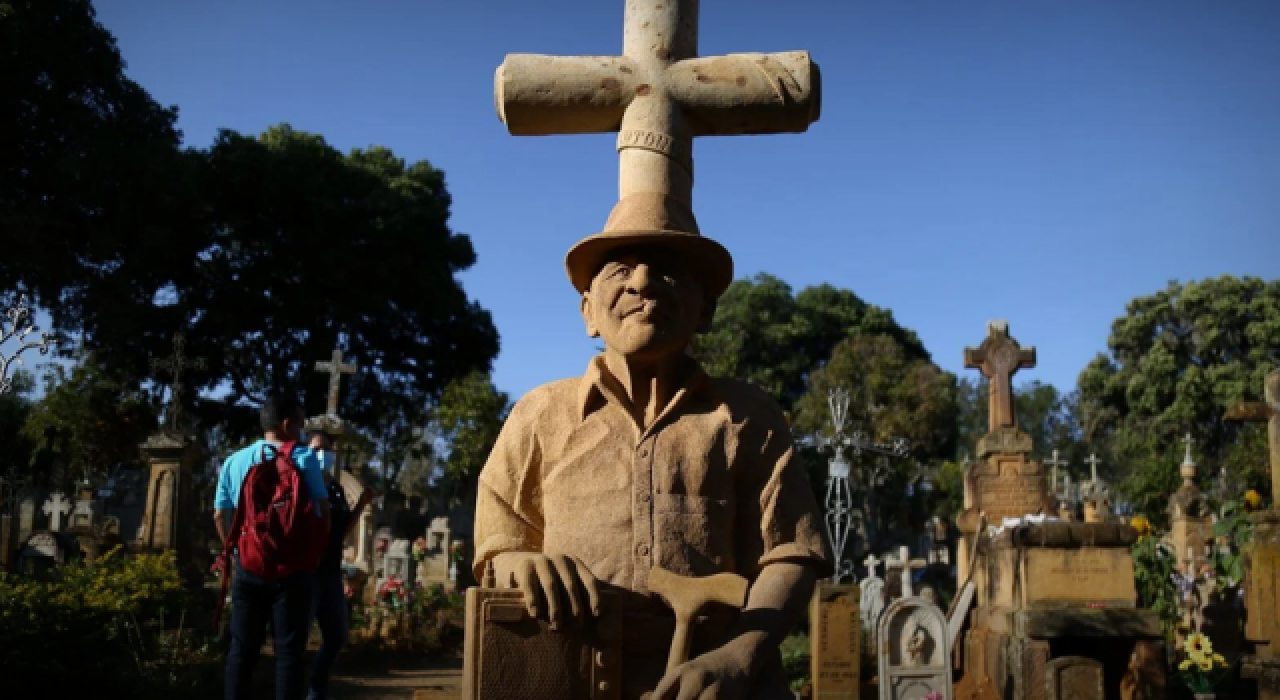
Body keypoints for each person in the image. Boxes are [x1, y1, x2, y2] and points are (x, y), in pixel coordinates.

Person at [472, 192, 831, 699]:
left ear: (704, 309)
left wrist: (738, 656)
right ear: (588, 313)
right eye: (619, 271)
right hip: (568, 680)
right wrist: (519, 563)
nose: (641, 283)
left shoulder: (747, 418)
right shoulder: (539, 415)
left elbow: (792, 552)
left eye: (666, 271)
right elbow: (497, 544)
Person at [215, 393, 331, 700]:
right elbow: (322, 509)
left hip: (249, 566)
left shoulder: (234, 461)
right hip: (293, 569)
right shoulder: (303, 458)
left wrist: (236, 550)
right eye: (302, 424)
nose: (303, 431)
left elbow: (219, 513)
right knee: (289, 652)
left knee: (241, 650)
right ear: (286, 425)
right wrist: (315, 554)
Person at [306, 430, 372, 700]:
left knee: (336, 637)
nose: (323, 454)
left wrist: (361, 505)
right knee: (296, 641)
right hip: (306, 574)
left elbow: (342, 532)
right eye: (318, 448)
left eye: (328, 449)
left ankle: (316, 691)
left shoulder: (335, 489)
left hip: (331, 574)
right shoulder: (303, 484)